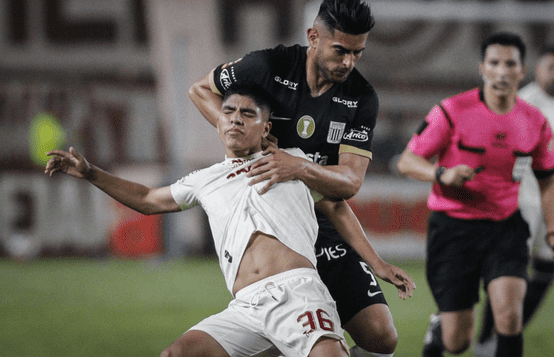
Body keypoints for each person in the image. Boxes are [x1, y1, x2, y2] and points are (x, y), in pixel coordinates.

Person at [44, 83, 414, 357]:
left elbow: (337, 205)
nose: (235, 119)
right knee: (175, 355)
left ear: (266, 129)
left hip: (298, 293)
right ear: (218, 122)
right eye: (229, 112)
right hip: (246, 307)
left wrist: (376, 263)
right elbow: (146, 199)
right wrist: (91, 172)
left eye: (248, 114)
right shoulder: (204, 179)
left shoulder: (293, 160)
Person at [189, 0, 413, 357]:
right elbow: (199, 89)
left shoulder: (361, 98)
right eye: (340, 50)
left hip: (321, 219)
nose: (349, 62)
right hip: (271, 224)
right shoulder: (269, 66)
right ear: (313, 37)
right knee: (280, 341)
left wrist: (299, 167)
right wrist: (246, 135)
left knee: (381, 337)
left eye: (357, 53)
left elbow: (350, 183)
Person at [395, 32, 554, 357]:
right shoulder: (452, 111)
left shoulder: (535, 122)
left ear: (522, 70)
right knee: (458, 342)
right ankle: (440, 329)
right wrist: (441, 174)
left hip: (505, 226)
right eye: (494, 63)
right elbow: (406, 161)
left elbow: (549, 181)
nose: (502, 71)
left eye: (510, 64)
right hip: (453, 230)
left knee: (510, 313)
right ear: (482, 68)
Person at [475, 45, 554, 356]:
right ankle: (486, 340)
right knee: (511, 274)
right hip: (524, 195)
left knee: (548, 268)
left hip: (553, 194)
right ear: (537, 70)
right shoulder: (524, 100)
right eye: (552, 68)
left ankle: (508, 330)